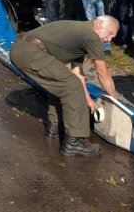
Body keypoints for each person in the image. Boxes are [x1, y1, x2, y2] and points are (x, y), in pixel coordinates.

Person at [9, 16, 119, 156]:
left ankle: (55, 128)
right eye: (110, 33)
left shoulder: (80, 32)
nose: (110, 39)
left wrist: (88, 99)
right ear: (98, 24)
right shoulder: (91, 36)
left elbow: (78, 73)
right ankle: (74, 142)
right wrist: (114, 99)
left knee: (62, 85)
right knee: (71, 86)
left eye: (113, 37)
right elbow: (103, 75)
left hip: (22, 49)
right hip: (30, 52)